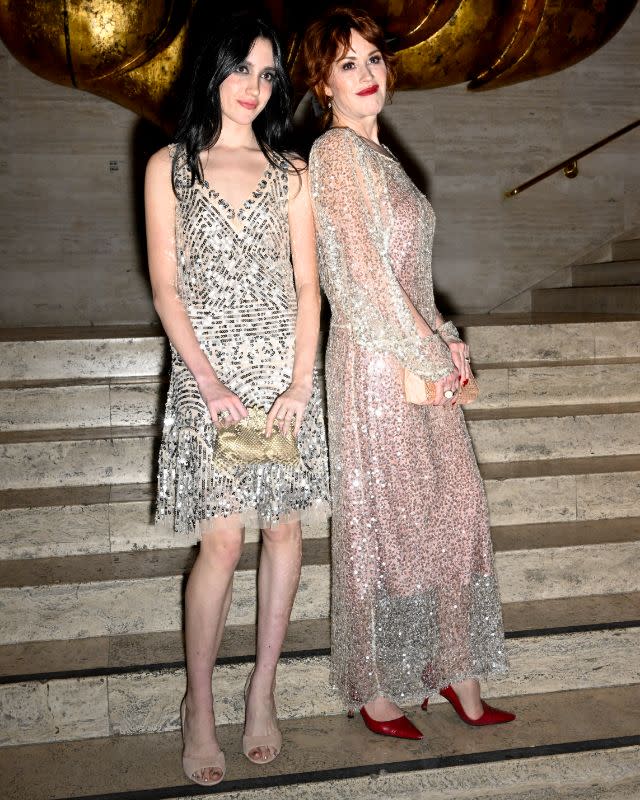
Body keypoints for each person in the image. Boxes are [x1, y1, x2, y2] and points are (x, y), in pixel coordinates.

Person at [302, 7, 514, 740]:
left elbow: (411, 281)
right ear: (321, 83)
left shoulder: (382, 156)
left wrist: (446, 344)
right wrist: (433, 353)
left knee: (454, 511)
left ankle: (455, 669)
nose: (367, 74)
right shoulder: (333, 154)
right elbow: (358, 282)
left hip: (414, 353)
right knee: (386, 524)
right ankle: (377, 685)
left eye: (374, 59)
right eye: (347, 63)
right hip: (372, 362)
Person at [145, 15, 330, 785]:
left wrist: (298, 382)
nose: (255, 88)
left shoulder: (292, 172)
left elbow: (307, 285)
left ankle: (262, 691)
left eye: (267, 74)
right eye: (242, 70)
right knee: (222, 542)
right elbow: (166, 286)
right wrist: (209, 381)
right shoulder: (170, 166)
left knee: (282, 531)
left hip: (279, 381)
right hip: (211, 379)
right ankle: (198, 702)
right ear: (212, 71)